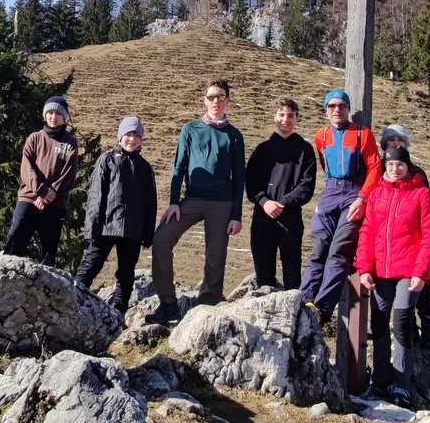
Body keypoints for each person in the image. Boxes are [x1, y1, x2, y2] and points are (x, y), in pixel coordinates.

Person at [352, 134, 430, 407]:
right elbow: (367, 234)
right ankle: (379, 382)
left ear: (408, 166)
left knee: (401, 323)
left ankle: (401, 385)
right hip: (380, 271)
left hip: (408, 272)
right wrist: (363, 268)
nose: (395, 169)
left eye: (400, 165)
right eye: (390, 165)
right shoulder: (377, 194)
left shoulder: (422, 194)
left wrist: (421, 272)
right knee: (378, 325)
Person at [149, 78, 246, 321]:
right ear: (204, 100)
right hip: (191, 199)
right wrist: (173, 201)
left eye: (221, 97)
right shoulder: (190, 129)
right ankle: (168, 303)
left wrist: (236, 215)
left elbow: (239, 178)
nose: (216, 101)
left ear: (228, 102)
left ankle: (208, 304)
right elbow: (177, 168)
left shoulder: (234, 136)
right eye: (212, 97)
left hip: (222, 203)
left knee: (216, 255)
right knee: (161, 239)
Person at [298, 89, 381, 320]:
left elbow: (375, 168)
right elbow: (325, 167)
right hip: (330, 192)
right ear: (326, 110)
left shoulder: (362, 134)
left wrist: (363, 198)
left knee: (339, 251)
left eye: (341, 106)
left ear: (348, 109)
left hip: (354, 192)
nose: (337, 110)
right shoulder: (321, 136)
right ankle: (304, 300)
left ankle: (321, 311)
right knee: (319, 247)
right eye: (332, 106)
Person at [77, 115, 158, 312]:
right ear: (120, 136)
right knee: (91, 265)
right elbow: (96, 195)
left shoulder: (145, 167)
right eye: (129, 134)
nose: (132, 139)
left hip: (132, 230)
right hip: (105, 226)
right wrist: (92, 229)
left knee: (126, 273)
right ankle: (73, 297)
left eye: (136, 136)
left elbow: (151, 203)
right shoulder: (108, 159)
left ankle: (119, 311)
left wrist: (148, 234)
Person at [378, 123, 430, 352]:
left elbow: (427, 211)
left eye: (400, 141)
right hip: (388, 246)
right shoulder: (379, 172)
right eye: (391, 141)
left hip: (415, 243)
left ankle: (428, 333)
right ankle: (410, 333)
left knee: (421, 290)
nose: (395, 144)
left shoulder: (418, 174)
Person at [245, 97, 316, 289]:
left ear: (297, 118)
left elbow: (306, 185)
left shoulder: (305, 150)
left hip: (290, 219)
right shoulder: (262, 149)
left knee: (292, 275)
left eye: (291, 115)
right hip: (262, 217)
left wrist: (284, 202)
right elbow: (251, 182)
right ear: (275, 117)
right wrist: (265, 202)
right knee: (263, 274)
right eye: (282, 114)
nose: (286, 119)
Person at [4, 94, 81, 264]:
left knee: (49, 251)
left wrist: (49, 195)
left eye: (58, 114)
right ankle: (6, 276)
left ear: (64, 117)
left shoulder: (70, 143)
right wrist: (41, 191)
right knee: (15, 237)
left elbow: (68, 174)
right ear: (45, 115)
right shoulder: (35, 138)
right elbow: (26, 168)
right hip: (29, 198)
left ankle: (46, 288)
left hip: (55, 202)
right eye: (50, 113)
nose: (53, 117)